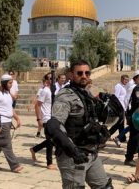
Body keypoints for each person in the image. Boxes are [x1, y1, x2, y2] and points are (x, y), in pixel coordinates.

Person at [47, 60, 114, 188]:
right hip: (72, 157)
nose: (84, 76)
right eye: (79, 73)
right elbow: (54, 126)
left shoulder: (86, 93)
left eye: (87, 73)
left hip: (91, 152)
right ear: (71, 75)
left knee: (105, 186)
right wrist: (72, 150)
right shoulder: (65, 96)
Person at [0, 74, 23, 173]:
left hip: (7, 121)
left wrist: (17, 118)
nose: (11, 85)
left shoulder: (7, 94)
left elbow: (10, 108)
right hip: (1, 122)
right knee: (6, 144)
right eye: (10, 83)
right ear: (4, 83)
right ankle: (14, 165)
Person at [29, 73, 57, 170]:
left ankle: (34, 149)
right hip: (46, 118)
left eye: (54, 78)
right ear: (47, 80)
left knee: (52, 140)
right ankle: (49, 163)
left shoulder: (52, 91)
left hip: (51, 117)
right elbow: (37, 105)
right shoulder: (45, 91)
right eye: (50, 78)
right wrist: (39, 119)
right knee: (50, 141)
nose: (52, 80)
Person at [109, 75, 129, 139]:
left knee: (121, 123)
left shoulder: (124, 87)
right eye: (125, 79)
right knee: (118, 123)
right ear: (121, 79)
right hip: (119, 107)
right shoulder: (118, 86)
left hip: (123, 107)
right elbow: (116, 97)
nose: (126, 81)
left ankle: (122, 137)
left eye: (127, 80)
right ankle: (108, 134)